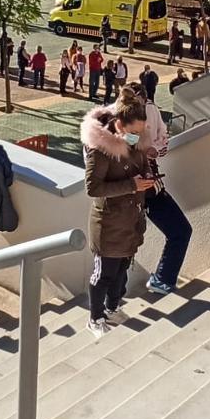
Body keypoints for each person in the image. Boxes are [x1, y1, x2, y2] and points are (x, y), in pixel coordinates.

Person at [80, 89, 156, 338]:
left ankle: (112, 308)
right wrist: (132, 185)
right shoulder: (101, 149)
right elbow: (93, 187)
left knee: (122, 271)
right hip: (109, 223)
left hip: (130, 221)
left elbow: (140, 164)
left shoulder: (136, 142)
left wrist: (146, 177)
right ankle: (95, 318)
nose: (138, 137)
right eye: (134, 132)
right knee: (104, 274)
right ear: (119, 124)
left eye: (141, 132)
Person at [129, 82, 194, 295]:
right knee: (118, 249)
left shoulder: (151, 110)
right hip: (129, 197)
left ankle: (163, 278)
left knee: (181, 230)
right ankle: (108, 306)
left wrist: (155, 150)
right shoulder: (113, 121)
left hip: (151, 189)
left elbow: (162, 139)